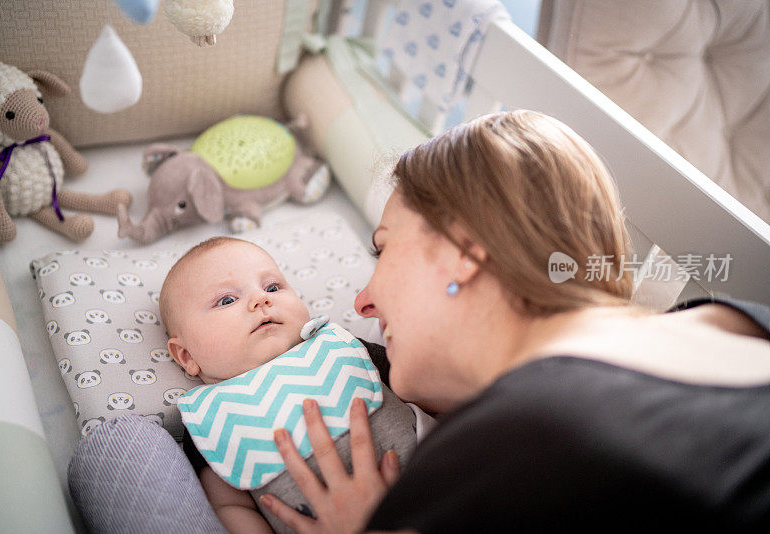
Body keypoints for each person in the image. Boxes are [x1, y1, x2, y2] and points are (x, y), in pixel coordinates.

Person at [254, 110, 770, 533]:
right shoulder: (732, 321)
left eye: (383, 248)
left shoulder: (522, 436)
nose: (363, 303)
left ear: (465, 250)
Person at [158, 236, 427, 534]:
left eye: (272, 287)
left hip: (442, 488)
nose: (261, 299)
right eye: (227, 300)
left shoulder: (342, 349)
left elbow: (423, 388)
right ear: (186, 356)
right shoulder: (211, 418)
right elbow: (230, 508)